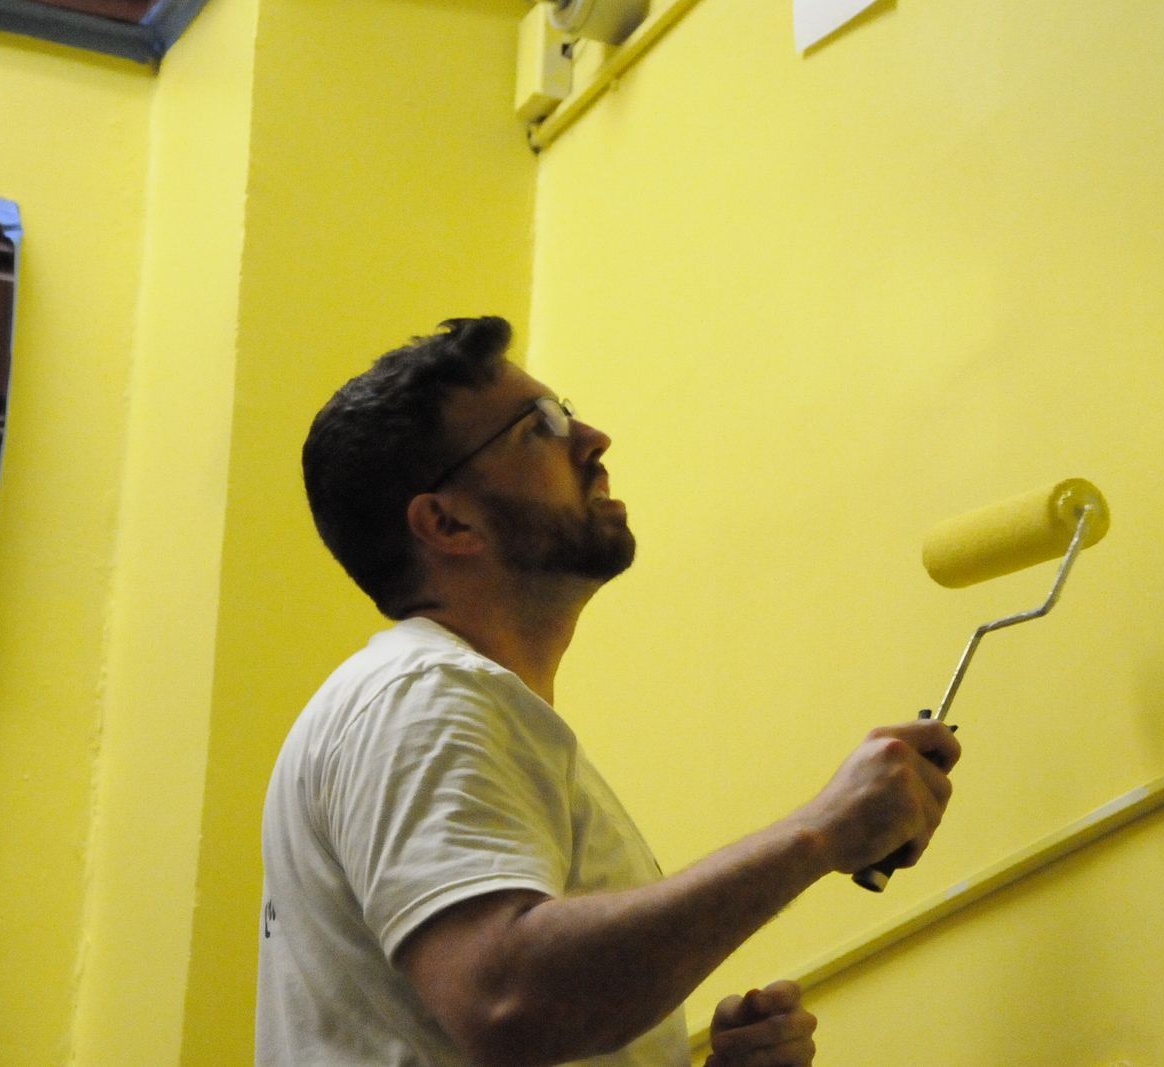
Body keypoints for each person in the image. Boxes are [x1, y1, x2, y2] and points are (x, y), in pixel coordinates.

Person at [257, 316, 960, 1066]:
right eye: (541, 426)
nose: (592, 438)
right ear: (447, 519)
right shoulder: (424, 696)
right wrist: (821, 830)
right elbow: (504, 1002)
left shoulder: (455, 707)